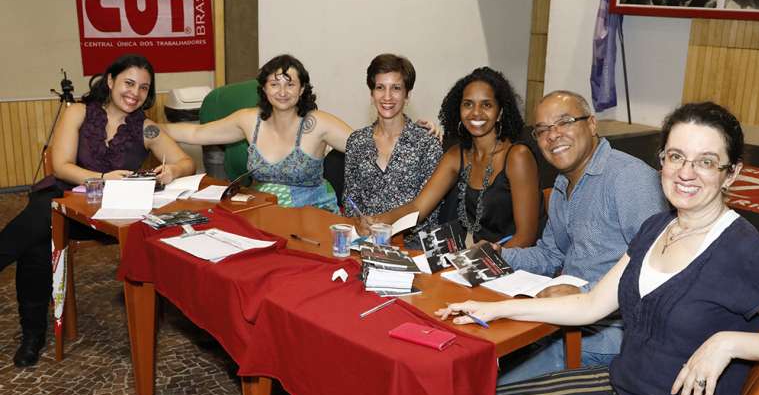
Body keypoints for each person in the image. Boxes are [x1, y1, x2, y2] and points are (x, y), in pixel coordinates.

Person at [437, 102, 759, 395]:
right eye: (676, 156)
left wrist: (728, 343)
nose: (686, 172)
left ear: (731, 172)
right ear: (661, 160)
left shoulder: (745, 252)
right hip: (623, 387)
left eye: (706, 162)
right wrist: (500, 309)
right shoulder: (658, 227)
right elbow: (591, 305)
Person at [0, 54, 195, 367]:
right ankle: (32, 335)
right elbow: (62, 166)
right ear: (110, 81)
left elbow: (186, 162)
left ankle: (32, 335)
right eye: (129, 83)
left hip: (105, 213)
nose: (135, 92)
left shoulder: (146, 129)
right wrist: (102, 179)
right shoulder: (79, 111)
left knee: (38, 224)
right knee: (39, 233)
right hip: (65, 198)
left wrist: (171, 171)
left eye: (144, 88)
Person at [496, 90, 667, 383]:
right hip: (564, 322)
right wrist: (498, 256)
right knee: (476, 361)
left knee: (489, 388)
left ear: (591, 124)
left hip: (613, 337)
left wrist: (588, 295)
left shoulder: (628, 179)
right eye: (543, 130)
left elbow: (657, 268)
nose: (553, 135)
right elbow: (550, 255)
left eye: (564, 122)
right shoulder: (564, 183)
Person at [163, 54, 438, 212]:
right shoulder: (249, 120)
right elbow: (197, 133)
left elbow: (374, 144)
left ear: (302, 89)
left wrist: (419, 133)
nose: (282, 91)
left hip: (310, 219)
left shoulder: (317, 124)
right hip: (263, 212)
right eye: (274, 84)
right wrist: (150, 128)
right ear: (264, 89)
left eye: (290, 84)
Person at [356, 67, 540, 247]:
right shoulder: (456, 155)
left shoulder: (517, 157)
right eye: (468, 104)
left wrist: (487, 262)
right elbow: (417, 208)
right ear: (458, 110)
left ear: (499, 112)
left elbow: (525, 238)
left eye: (486, 105)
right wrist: (377, 220)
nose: (476, 112)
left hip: (514, 262)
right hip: (477, 261)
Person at [343, 54, 443, 239]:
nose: (387, 96)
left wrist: (387, 227)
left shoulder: (427, 143)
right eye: (380, 87)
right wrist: (360, 222)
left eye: (396, 88)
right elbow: (350, 203)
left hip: (412, 244)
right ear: (371, 94)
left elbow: (428, 213)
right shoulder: (357, 141)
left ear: (407, 95)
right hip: (365, 241)